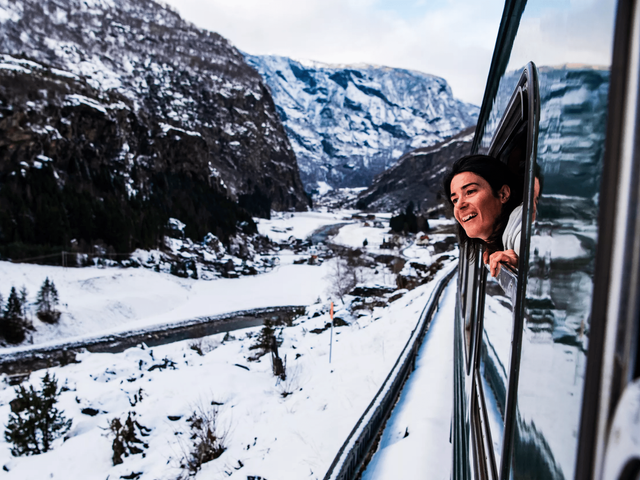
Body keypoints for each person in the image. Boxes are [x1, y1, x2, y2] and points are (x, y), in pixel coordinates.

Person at [443, 154, 523, 277]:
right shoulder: (503, 240)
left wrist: (526, 266)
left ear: (503, 194)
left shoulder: (524, 232)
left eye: (470, 192)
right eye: (455, 200)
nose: (459, 205)